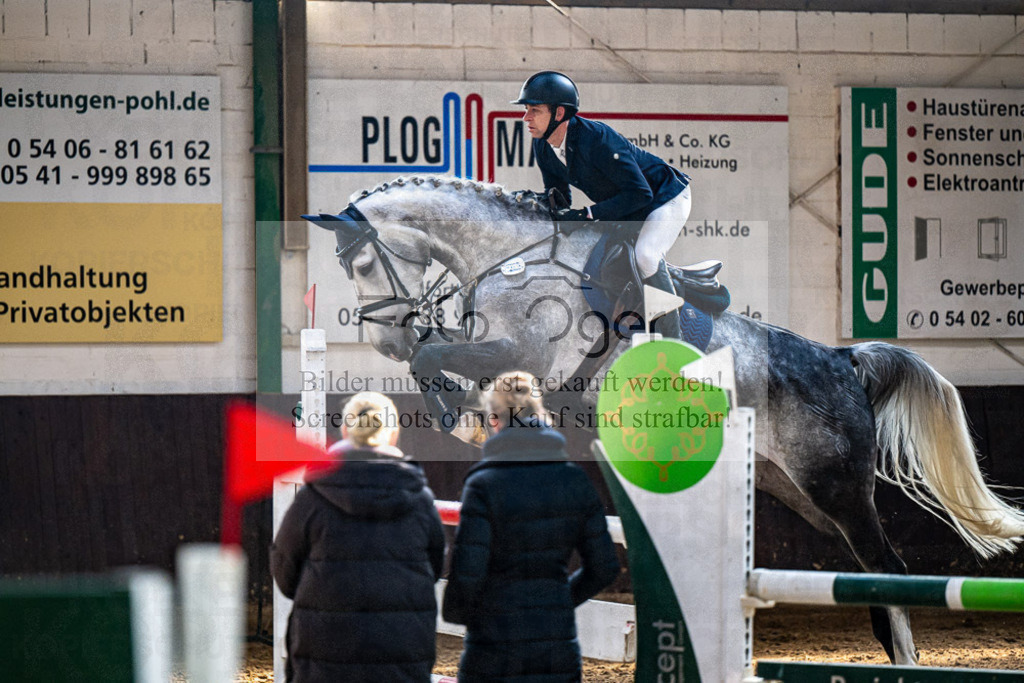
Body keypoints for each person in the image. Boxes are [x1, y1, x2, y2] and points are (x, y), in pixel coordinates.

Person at [442, 371, 620, 682]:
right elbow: (604, 567)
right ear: (539, 413)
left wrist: (461, 614)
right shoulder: (574, 480)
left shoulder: (483, 484)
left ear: (494, 420)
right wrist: (559, 600)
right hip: (556, 645)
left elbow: (467, 571)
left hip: (493, 648)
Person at [271, 391, 446, 682]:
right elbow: (434, 568)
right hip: (400, 647)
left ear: (345, 431)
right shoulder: (419, 500)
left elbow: (285, 573)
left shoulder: (313, 498)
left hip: (325, 649)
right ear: (393, 435)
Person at [515, 70, 692, 339]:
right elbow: (559, 196)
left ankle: (674, 340)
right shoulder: (543, 146)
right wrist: (537, 206)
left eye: (534, 110)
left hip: (665, 197)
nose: (525, 118)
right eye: (526, 110)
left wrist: (588, 214)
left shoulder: (596, 138)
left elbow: (640, 193)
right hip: (630, 206)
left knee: (646, 256)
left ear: (559, 114)